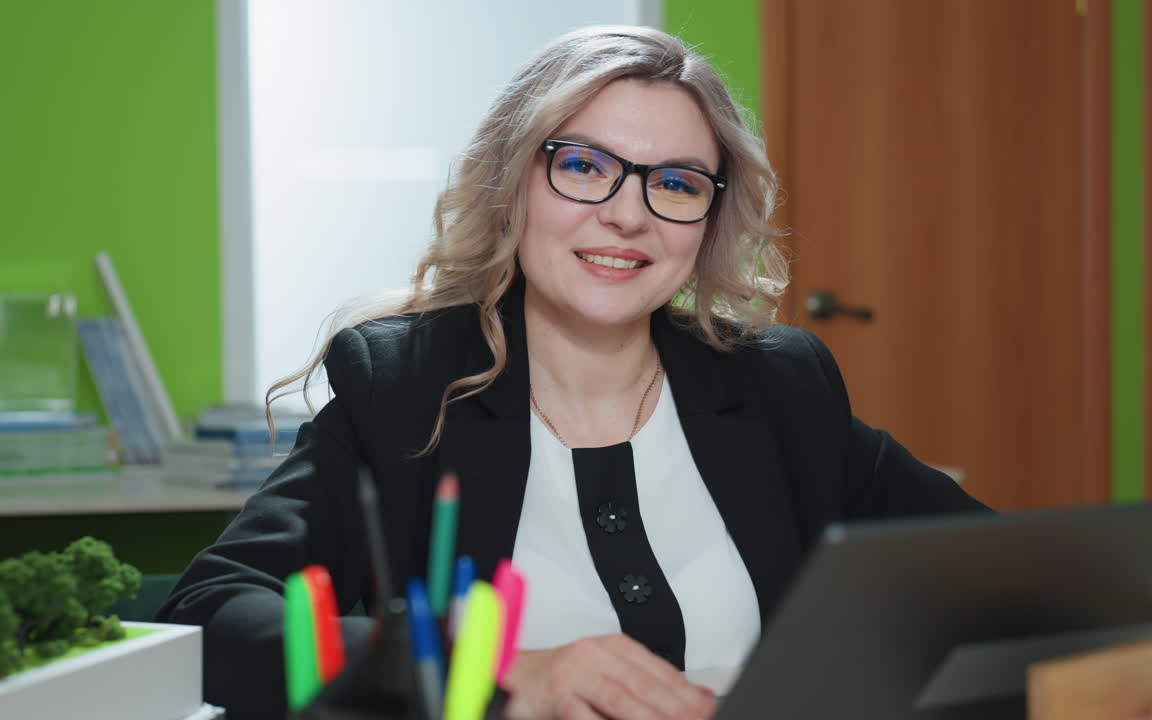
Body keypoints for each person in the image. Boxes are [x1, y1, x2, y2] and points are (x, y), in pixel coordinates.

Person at [156, 25, 988, 720]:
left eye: (675, 182)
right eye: (584, 165)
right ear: (514, 180)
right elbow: (211, 614)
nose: (629, 214)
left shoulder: (778, 387)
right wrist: (502, 673)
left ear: (709, 216)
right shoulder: (408, 391)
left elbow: (1011, 570)